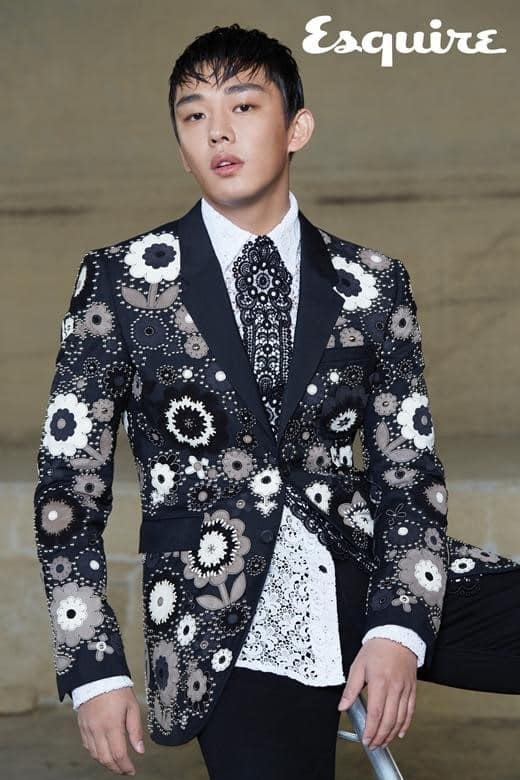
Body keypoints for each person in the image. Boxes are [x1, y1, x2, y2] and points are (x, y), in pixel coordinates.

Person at [33, 23, 520, 779]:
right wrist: (92, 666)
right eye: (193, 115)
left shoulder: (372, 283)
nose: (217, 131)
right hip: (218, 606)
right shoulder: (120, 282)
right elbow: (68, 491)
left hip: (367, 563)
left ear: (297, 128)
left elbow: (409, 474)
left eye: (243, 106)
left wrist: (399, 629)